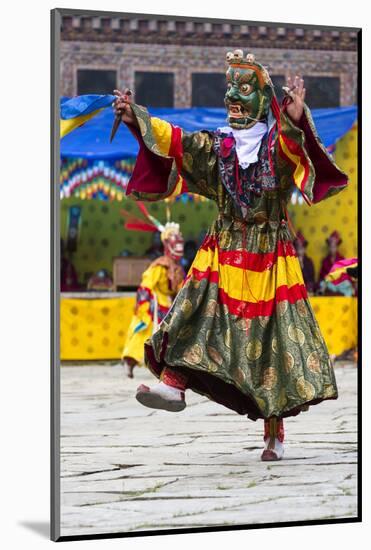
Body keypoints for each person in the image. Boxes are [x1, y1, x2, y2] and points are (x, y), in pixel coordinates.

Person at [113, 49, 348, 461]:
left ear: (263, 97)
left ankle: (274, 430)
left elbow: (299, 153)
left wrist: (296, 119)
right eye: (229, 88)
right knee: (196, 311)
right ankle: (174, 383)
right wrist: (137, 119)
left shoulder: (276, 145)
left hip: (269, 256)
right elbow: (177, 142)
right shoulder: (216, 146)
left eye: (244, 87)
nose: (233, 96)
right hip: (223, 249)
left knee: (273, 340)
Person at [121, 213, 185, 378]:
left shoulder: (178, 268)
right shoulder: (159, 266)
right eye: (174, 242)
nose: (178, 246)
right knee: (143, 333)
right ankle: (130, 362)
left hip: (169, 305)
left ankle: (166, 369)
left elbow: (180, 289)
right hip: (153, 306)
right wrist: (144, 306)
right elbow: (145, 285)